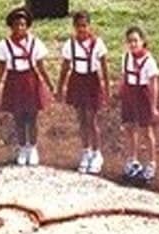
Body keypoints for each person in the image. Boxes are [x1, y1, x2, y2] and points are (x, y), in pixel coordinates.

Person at [0, 7, 55, 166]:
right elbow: (0, 69)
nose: (20, 28)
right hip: (14, 81)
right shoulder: (4, 45)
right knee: (18, 117)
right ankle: (21, 147)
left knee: (31, 117)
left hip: (30, 80)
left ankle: (32, 147)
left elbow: (41, 66)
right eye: (16, 25)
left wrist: (50, 85)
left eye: (23, 25)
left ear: (27, 26)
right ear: (11, 26)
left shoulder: (35, 42)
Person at [56, 10, 109, 174]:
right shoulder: (70, 44)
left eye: (84, 26)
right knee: (81, 119)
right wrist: (60, 87)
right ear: (74, 27)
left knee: (91, 119)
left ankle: (97, 152)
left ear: (89, 26)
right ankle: (86, 151)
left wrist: (106, 87)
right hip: (77, 81)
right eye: (78, 26)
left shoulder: (97, 43)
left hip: (91, 81)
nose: (82, 29)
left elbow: (104, 67)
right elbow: (65, 67)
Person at [117, 26, 159, 184]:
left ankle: (152, 163)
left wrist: (153, 106)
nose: (133, 44)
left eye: (136, 41)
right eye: (130, 41)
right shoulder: (126, 57)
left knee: (146, 130)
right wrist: (121, 91)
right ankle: (133, 160)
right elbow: (123, 76)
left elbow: (154, 84)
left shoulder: (149, 61)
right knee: (130, 127)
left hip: (142, 95)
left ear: (143, 41)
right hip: (130, 93)